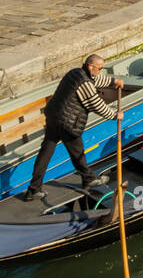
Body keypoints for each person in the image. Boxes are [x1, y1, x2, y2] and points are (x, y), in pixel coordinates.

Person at [23, 54, 125, 200]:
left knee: (46, 152)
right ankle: (88, 179)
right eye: (100, 68)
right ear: (91, 66)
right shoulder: (85, 84)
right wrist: (115, 115)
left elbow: (95, 80)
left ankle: (33, 189)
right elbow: (95, 104)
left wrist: (113, 81)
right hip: (67, 123)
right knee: (78, 153)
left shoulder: (75, 73)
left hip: (53, 117)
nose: (101, 71)